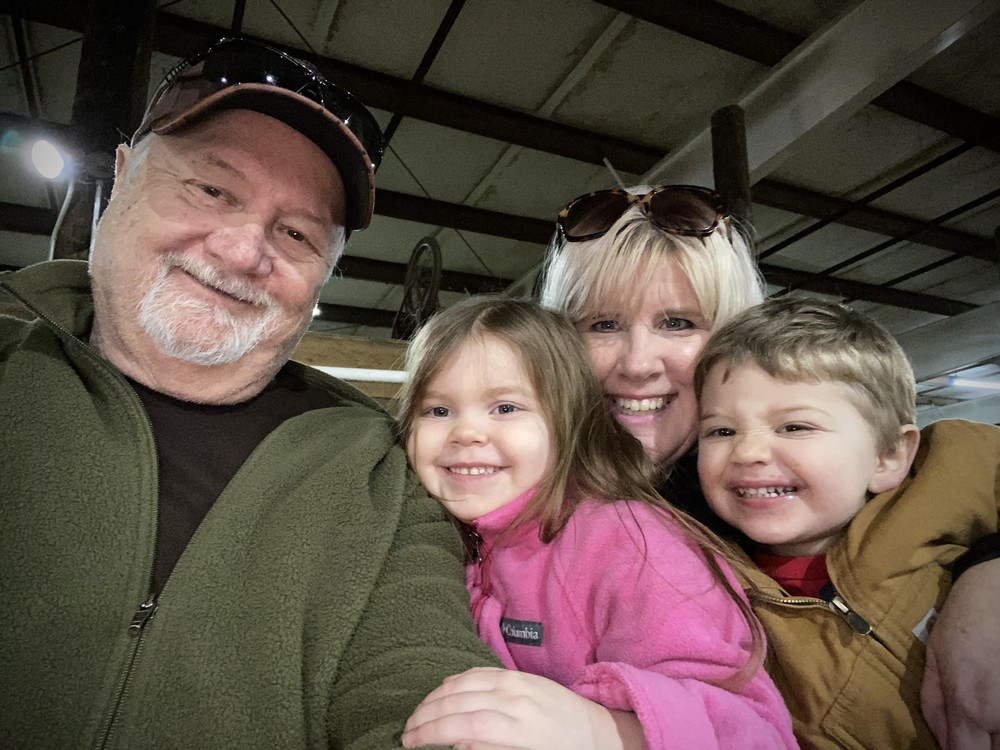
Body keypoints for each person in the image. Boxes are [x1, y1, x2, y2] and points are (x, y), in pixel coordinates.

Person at [0, 37, 500, 749]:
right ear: (122, 175)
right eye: (211, 189)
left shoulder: (383, 473)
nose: (241, 251)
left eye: (296, 233)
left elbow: (419, 681)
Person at [397, 295, 797, 749]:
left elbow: (756, 729)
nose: (466, 432)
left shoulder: (632, 545)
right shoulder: (429, 535)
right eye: (438, 410)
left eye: (506, 408)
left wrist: (605, 730)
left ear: (568, 421)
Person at [694, 296, 1000, 748]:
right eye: (721, 431)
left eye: (794, 427)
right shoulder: (718, 599)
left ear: (888, 455)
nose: (747, 452)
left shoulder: (951, 480)